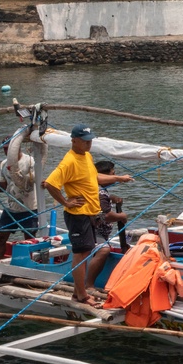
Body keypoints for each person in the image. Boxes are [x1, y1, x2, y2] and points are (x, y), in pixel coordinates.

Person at [43, 124, 132, 307]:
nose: (88, 144)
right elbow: (51, 183)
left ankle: (79, 291)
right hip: (78, 215)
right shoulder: (69, 161)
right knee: (81, 254)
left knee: (86, 252)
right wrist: (66, 202)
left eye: (90, 140)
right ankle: (81, 295)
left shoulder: (87, 156)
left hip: (89, 214)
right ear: (74, 140)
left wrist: (118, 178)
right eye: (84, 141)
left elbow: (95, 178)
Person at [0, 135, 37, 259]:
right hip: (11, 209)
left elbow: (34, 180)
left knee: (30, 240)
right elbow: (2, 186)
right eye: (4, 149)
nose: (6, 152)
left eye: (9, 149)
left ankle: (31, 266)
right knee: (1, 237)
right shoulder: (3, 164)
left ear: (17, 148)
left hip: (28, 208)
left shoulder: (30, 161)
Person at [93, 160, 129, 252]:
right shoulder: (100, 193)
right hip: (94, 233)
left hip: (100, 233)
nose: (114, 176)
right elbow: (106, 216)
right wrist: (122, 216)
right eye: (113, 174)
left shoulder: (95, 188)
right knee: (104, 251)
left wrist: (111, 198)